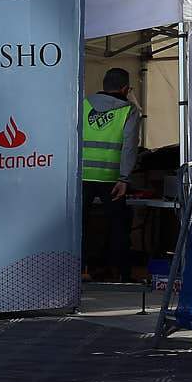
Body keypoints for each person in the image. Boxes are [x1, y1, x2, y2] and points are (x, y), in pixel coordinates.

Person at [80, 68, 141, 283]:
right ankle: (122, 274)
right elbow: (130, 147)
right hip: (112, 179)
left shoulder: (83, 103)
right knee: (119, 226)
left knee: (79, 227)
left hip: (81, 177)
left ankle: (79, 271)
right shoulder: (129, 110)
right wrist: (124, 178)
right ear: (125, 88)